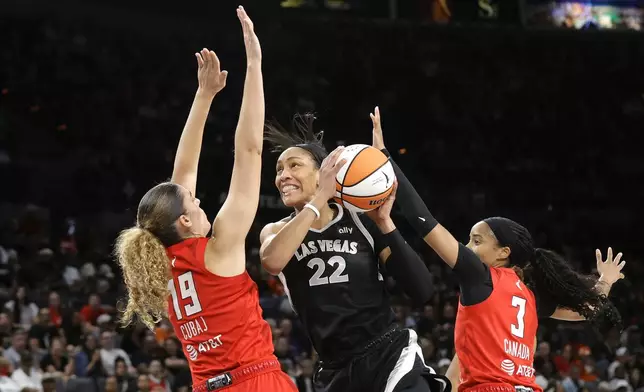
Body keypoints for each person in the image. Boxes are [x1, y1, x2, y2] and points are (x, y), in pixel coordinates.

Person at [368, 107, 625, 392]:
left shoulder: (479, 276)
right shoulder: (531, 295)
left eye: (476, 241)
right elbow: (585, 311)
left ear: (504, 252)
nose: (467, 247)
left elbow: (424, 221)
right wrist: (605, 281)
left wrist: (385, 160)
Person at [114, 7, 296, 392]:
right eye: (193, 204)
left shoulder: (162, 260)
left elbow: (182, 175)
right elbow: (249, 151)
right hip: (254, 381)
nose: (199, 203)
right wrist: (255, 64)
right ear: (182, 221)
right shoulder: (220, 248)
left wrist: (205, 95)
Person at [259, 114, 448, 392]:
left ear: (322, 172)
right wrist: (320, 197)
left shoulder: (360, 219)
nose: (283, 175)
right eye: (279, 169)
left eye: (294, 166)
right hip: (333, 370)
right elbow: (273, 262)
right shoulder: (276, 230)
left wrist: (385, 223)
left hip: (387, 353)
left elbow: (421, 290)